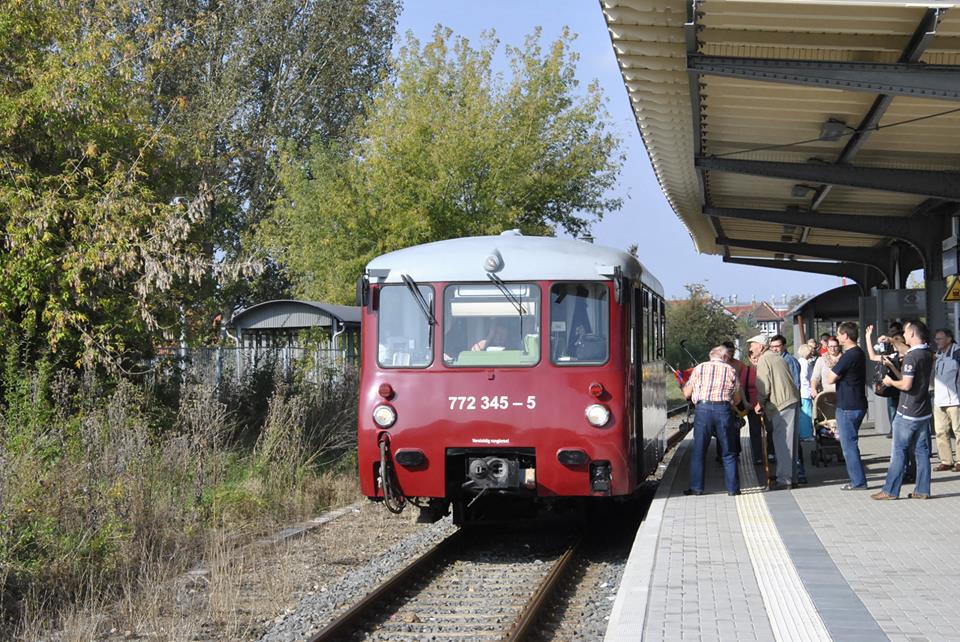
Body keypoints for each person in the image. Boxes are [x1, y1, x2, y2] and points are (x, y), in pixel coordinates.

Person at [872, 320, 934, 500]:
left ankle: (890, 490)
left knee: (899, 451)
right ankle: (922, 490)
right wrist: (892, 344)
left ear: (913, 334)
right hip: (923, 410)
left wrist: (890, 382)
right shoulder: (927, 353)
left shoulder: (912, 357)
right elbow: (909, 377)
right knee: (921, 451)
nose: (904, 336)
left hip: (907, 411)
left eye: (906, 333)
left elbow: (906, 385)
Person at [682, 345, 742, 496]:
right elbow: (738, 397)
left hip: (703, 410)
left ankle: (696, 488)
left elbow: (687, 393)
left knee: (699, 450)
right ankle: (733, 489)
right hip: (723, 410)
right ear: (724, 357)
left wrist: (685, 386)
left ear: (711, 356)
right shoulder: (731, 370)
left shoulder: (699, 368)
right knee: (728, 451)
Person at [751, 334, 800, 490]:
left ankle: (784, 480)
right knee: (790, 443)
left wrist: (760, 402)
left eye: (752, 345)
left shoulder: (765, 359)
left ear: (760, 346)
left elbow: (763, 385)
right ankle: (792, 477)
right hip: (789, 401)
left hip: (781, 404)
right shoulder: (775, 356)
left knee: (783, 444)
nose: (750, 349)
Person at [825, 321, 869, 491]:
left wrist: (836, 367)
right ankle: (858, 480)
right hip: (858, 403)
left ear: (845, 335)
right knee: (852, 443)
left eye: (839, 333)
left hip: (847, 406)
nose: (837, 336)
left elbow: (830, 378)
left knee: (848, 445)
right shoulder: (859, 353)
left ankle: (858, 481)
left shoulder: (849, 355)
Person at [724, 341, 762, 466]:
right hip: (743, 402)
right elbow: (741, 386)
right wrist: (745, 402)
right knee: (736, 428)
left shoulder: (739, 365)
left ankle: (764, 454)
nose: (731, 354)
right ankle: (736, 452)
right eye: (729, 351)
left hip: (760, 402)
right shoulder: (746, 369)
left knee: (764, 430)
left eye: (732, 351)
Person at [932, 328, 960, 472]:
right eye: (936, 339)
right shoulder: (938, 354)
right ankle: (946, 460)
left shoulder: (957, 352)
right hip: (939, 400)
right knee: (940, 431)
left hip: (955, 400)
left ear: (949, 339)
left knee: (958, 431)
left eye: (940, 339)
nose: (937, 342)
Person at [797, 344, 816, 441]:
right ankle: (806, 434)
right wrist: (810, 389)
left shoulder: (800, 362)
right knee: (806, 414)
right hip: (805, 392)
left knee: (804, 414)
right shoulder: (805, 363)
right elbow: (804, 378)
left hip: (803, 392)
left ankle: (805, 433)